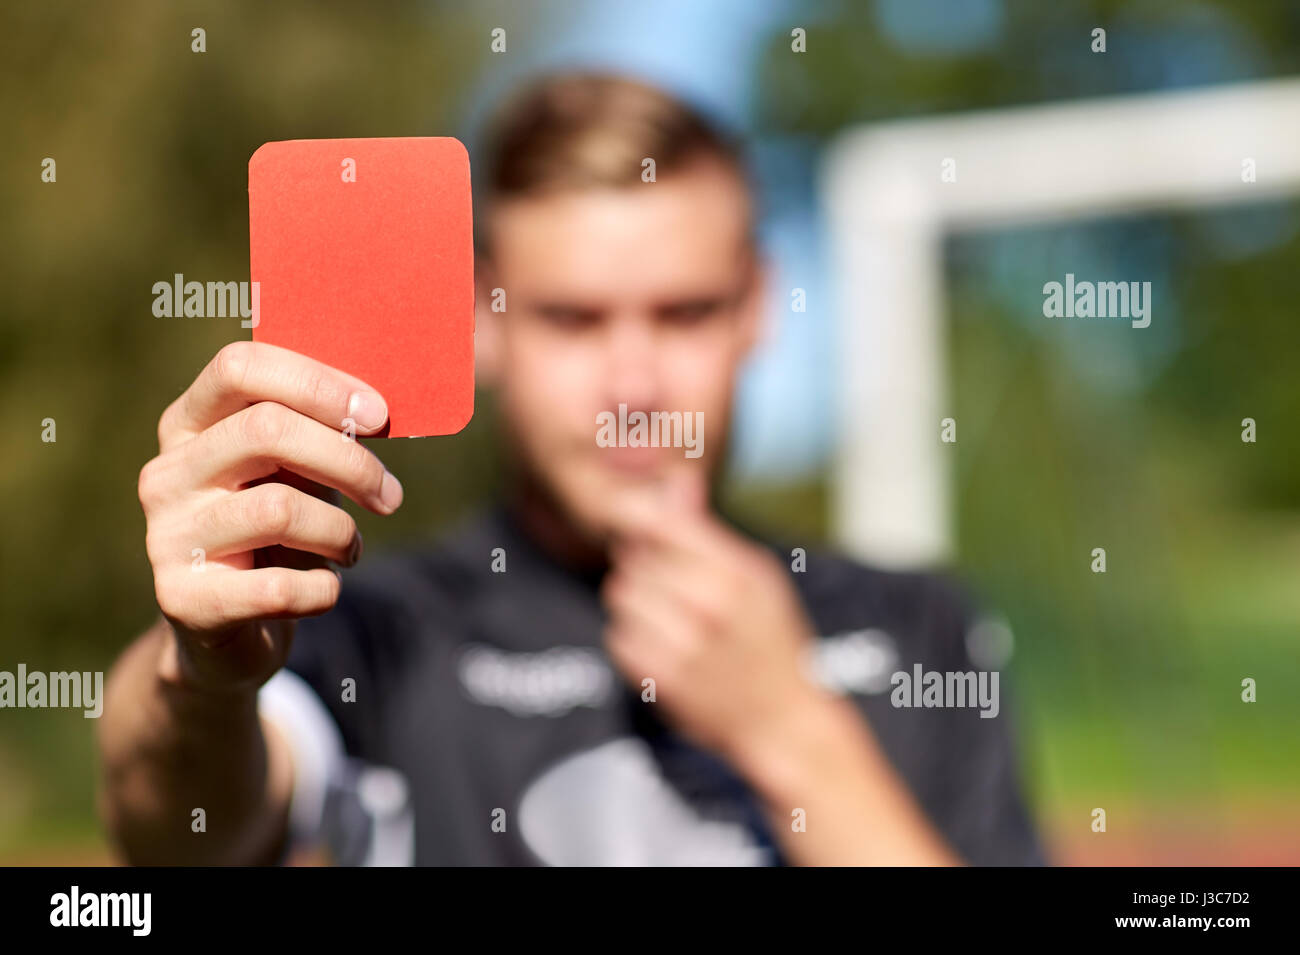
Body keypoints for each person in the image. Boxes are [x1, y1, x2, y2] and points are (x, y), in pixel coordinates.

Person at [98, 72, 1044, 866]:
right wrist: (203, 675)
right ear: (480, 318)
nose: (633, 383)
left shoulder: (916, 626)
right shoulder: (377, 631)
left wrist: (791, 730)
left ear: (758, 304)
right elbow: (179, 833)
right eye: (573, 319)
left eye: (685, 313)